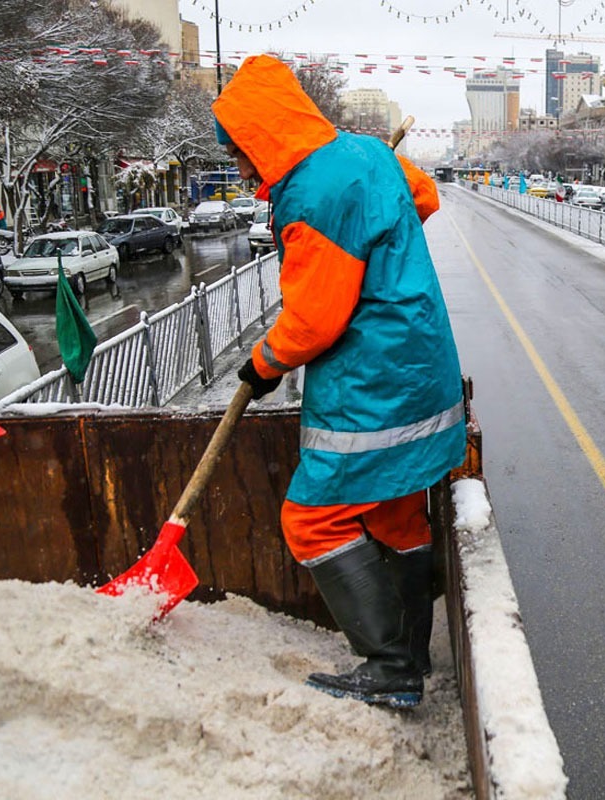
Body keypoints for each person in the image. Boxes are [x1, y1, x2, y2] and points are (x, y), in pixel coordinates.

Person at [212, 54, 465, 709]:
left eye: (240, 153)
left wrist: (261, 364)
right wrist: (379, 247)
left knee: (311, 521)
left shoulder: (314, 190)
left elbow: (316, 320)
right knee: (394, 510)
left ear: (263, 138)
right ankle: (408, 654)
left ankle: (388, 666)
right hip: (419, 359)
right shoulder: (362, 154)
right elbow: (425, 197)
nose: (240, 168)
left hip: (372, 378)